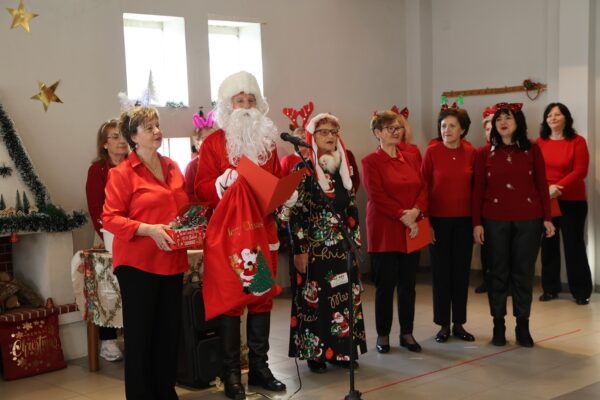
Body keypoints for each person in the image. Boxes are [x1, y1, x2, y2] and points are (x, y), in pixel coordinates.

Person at [194, 71, 286, 400]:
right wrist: (220, 183)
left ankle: (260, 368)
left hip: (262, 233)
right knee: (232, 303)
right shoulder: (213, 144)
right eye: (239, 101)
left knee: (260, 298)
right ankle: (232, 373)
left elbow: (276, 183)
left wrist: (282, 194)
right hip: (230, 238)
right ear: (227, 106)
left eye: (250, 101)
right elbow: (200, 188)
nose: (246, 107)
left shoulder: (268, 144)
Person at [102, 106, 189, 399]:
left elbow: (182, 207)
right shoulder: (121, 173)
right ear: (133, 136)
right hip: (138, 264)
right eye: (149, 127)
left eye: (157, 125)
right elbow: (109, 218)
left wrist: (188, 224)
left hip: (172, 260)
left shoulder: (173, 166)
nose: (157, 131)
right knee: (141, 338)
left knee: (168, 335)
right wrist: (148, 229)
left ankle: (165, 392)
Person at [288, 112, 367, 373]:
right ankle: (316, 354)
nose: (330, 136)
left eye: (334, 132)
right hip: (314, 249)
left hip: (342, 248)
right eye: (324, 132)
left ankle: (342, 352)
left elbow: (351, 210)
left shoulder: (343, 168)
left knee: (342, 300)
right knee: (317, 302)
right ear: (312, 136)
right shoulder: (303, 169)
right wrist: (299, 250)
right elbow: (294, 214)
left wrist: (355, 245)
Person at [472, 103, 555, 348]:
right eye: (498, 119)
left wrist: (547, 218)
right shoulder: (483, 153)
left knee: (523, 273)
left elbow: (542, 184)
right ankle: (498, 325)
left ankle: (523, 325)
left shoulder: (532, 150)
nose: (503, 122)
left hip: (529, 219)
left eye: (508, 118)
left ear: (518, 122)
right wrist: (477, 223)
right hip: (494, 220)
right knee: (497, 273)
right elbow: (477, 191)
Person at [362, 110, 427, 354]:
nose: (396, 132)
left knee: (408, 285)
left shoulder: (410, 156)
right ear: (377, 133)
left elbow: (424, 188)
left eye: (398, 127)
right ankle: (383, 334)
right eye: (390, 128)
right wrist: (403, 215)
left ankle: (407, 332)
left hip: (412, 226)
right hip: (385, 229)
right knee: (385, 286)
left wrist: (416, 211)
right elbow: (376, 195)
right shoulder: (370, 161)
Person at [422, 108, 476, 343]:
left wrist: (476, 223)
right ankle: (443, 324)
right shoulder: (432, 151)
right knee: (441, 273)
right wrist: (426, 221)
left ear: (462, 129)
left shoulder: (471, 152)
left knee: (461, 273)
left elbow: (476, 189)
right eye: (443, 126)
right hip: (438, 222)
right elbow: (423, 187)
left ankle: (459, 323)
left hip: (464, 222)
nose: (446, 130)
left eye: (452, 126)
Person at [537, 102, 592, 305]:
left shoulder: (577, 141)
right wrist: (546, 190)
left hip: (572, 202)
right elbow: (534, 170)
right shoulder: (539, 143)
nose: (552, 118)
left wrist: (558, 187)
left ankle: (581, 291)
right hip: (546, 200)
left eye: (557, 114)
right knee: (548, 245)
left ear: (566, 118)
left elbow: (580, 171)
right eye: (549, 115)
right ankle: (550, 289)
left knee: (574, 245)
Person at [85, 119, 128, 362]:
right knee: (108, 288)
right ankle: (108, 340)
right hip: (107, 235)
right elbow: (95, 208)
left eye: (123, 135)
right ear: (104, 144)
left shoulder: (136, 165)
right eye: (115, 136)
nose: (121, 140)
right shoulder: (98, 170)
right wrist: (109, 236)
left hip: (134, 235)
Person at [474, 105, 496, 294]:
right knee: (486, 246)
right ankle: (487, 279)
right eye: (487, 129)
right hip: (485, 206)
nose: (490, 132)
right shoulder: (481, 152)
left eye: (492, 128)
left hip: (504, 207)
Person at [185, 109, 217, 202]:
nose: (211, 143)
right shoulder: (192, 167)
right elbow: (189, 195)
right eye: (206, 139)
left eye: (214, 138)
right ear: (197, 144)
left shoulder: (221, 162)